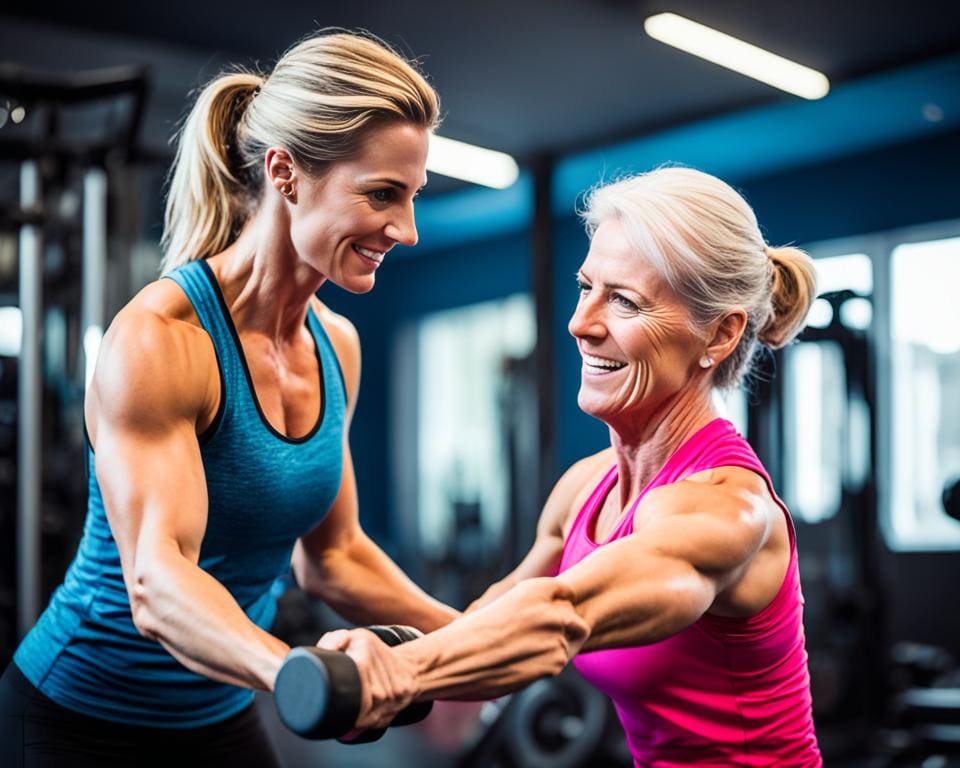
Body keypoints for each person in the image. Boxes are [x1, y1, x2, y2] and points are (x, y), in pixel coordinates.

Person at [0, 29, 458, 767]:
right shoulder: (163, 339)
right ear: (285, 172)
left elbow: (335, 557)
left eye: (410, 197)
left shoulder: (337, 346)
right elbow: (158, 579)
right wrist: (295, 672)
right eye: (381, 195)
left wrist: (476, 636)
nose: (404, 230)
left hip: (216, 716)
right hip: (76, 717)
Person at [318, 167, 823, 766]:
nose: (581, 323)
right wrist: (382, 656)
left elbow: (561, 616)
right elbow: (501, 618)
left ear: (717, 335)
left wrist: (402, 671)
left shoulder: (726, 509)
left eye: (625, 301)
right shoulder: (587, 487)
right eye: (586, 287)